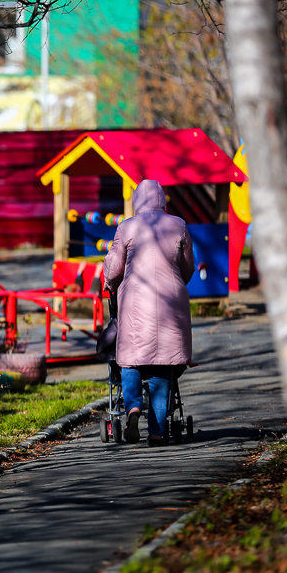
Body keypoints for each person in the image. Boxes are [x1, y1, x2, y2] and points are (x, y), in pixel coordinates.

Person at [103, 179, 195, 446]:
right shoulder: (179, 225)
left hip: (134, 300)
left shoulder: (127, 227)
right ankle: (156, 430)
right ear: (162, 200)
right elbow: (187, 267)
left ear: (137, 202)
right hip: (171, 302)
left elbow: (114, 269)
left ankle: (132, 408)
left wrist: (109, 279)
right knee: (161, 364)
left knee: (131, 358)